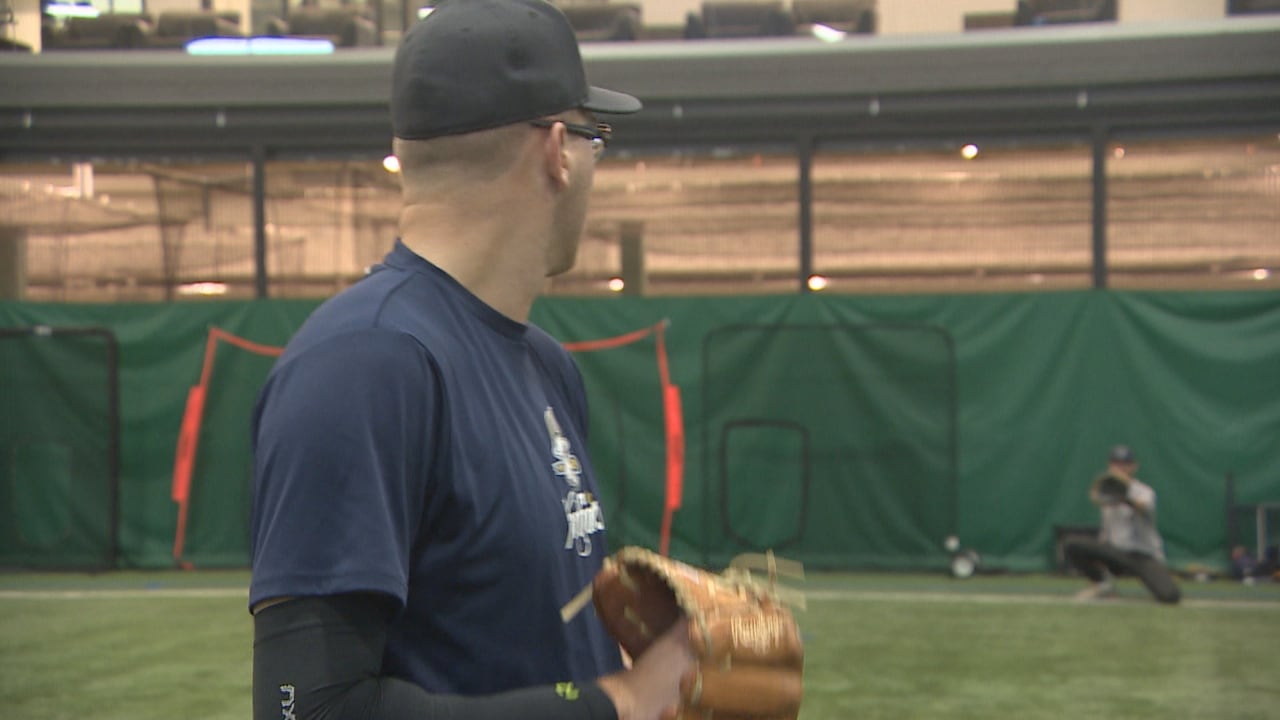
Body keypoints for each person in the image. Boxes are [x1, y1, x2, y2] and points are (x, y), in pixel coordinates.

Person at [247, 2, 694, 719]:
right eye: (595, 139)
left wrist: (645, 662)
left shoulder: (546, 366)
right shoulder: (364, 366)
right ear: (556, 150)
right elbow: (310, 709)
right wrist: (615, 705)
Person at [1064, 445, 1181, 604]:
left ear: (1134, 466)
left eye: (1124, 464)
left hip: (1143, 556)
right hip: (1116, 553)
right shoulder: (1106, 490)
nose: (1120, 468)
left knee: (1170, 596)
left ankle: (1154, 580)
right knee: (1071, 544)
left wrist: (1125, 497)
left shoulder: (1144, 491)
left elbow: (1143, 507)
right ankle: (1102, 584)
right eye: (1115, 464)